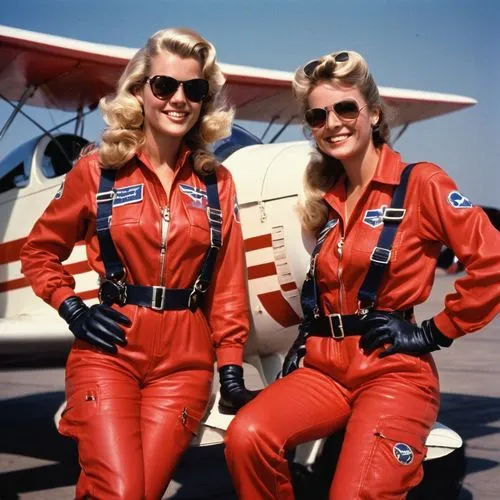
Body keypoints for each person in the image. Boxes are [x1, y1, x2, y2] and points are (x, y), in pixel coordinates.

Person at [224, 50, 500, 499]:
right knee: (247, 436)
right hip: (323, 370)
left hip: (392, 373)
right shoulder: (324, 199)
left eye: (345, 108)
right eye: (317, 115)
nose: (332, 123)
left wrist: (434, 333)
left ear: (372, 113)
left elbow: (494, 262)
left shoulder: (421, 184)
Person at [20, 27, 256, 500]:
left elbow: (228, 287)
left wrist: (230, 366)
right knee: (123, 491)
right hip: (109, 354)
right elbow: (39, 252)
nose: (178, 99)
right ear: (140, 92)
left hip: (184, 368)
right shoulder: (97, 169)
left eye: (194, 88)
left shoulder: (218, 183)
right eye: (165, 86)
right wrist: (74, 310)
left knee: (134, 492)